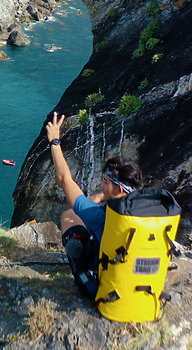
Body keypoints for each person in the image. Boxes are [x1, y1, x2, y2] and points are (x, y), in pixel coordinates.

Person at [46, 112, 143, 295]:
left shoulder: (101, 217)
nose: (101, 184)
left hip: (105, 292)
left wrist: (55, 141)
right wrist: (102, 196)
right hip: (142, 290)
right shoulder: (146, 209)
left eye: (106, 182)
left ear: (119, 190)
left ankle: (83, 266)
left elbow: (64, 178)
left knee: (69, 216)